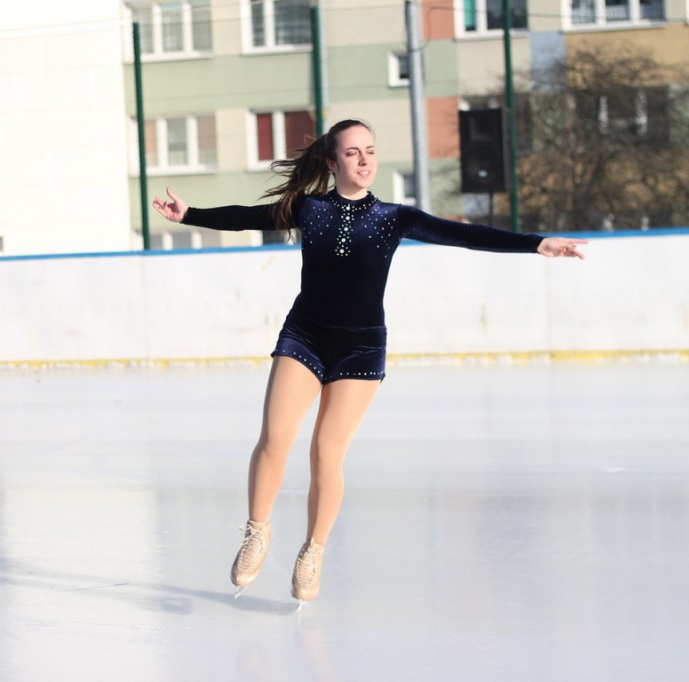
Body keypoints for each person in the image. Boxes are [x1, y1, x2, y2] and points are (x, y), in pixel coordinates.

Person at [153, 119, 587, 603]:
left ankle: (313, 549)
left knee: (326, 453)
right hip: (304, 337)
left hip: (360, 348)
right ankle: (257, 531)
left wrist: (535, 242)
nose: (365, 160)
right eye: (353, 152)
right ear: (332, 162)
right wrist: (189, 214)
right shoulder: (309, 208)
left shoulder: (394, 218)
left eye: (371, 151)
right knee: (275, 439)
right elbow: (245, 217)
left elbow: (463, 234)